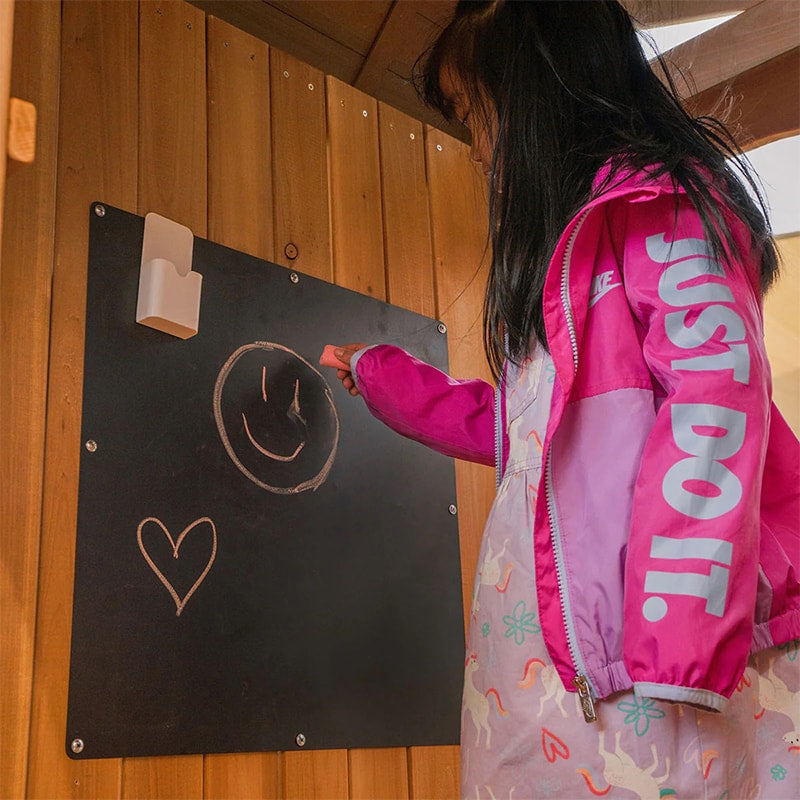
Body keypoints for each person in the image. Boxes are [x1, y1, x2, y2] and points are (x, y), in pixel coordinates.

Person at [323, 2, 800, 796]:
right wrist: (380, 375)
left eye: (477, 113)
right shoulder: (564, 270)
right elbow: (511, 428)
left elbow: (715, 397)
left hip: (658, 651)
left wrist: (679, 639)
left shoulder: (661, 208)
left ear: (539, 91)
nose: (477, 149)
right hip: (554, 647)